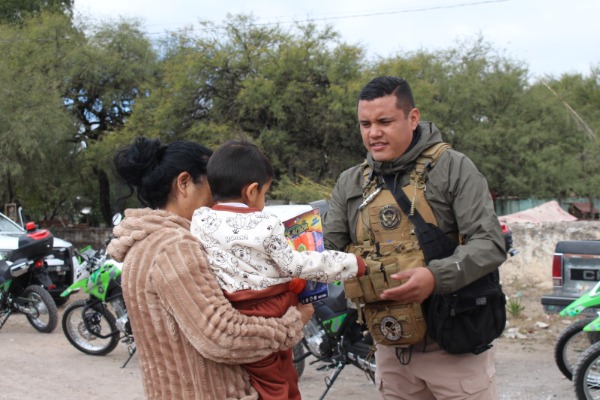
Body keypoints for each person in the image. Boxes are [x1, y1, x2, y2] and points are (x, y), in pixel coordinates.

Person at [323, 76, 507, 399]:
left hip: (453, 346)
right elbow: (327, 250)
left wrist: (435, 277)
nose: (373, 133)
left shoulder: (452, 168)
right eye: (365, 124)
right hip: (391, 351)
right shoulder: (351, 182)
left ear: (412, 118)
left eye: (384, 122)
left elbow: (489, 244)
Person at [106, 136, 314, 400]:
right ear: (184, 183)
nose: (220, 201)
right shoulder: (175, 247)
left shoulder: (144, 244)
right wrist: (293, 323)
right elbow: (222, 336)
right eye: (214, 189)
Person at [190, 139, 366, 400]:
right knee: (280, 380)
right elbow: (296, 264)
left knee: (265, 377)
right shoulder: (265, 224)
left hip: (230, 310)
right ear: (252, 191)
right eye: (265, 193)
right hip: (269, 310)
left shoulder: (199, 219)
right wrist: (353, 263)